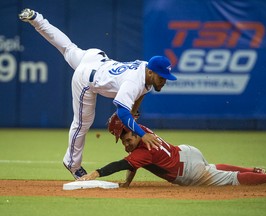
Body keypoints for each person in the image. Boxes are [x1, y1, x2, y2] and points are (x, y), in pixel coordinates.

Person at [18, 8, 177, 179]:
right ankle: (72, 163)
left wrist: (133, 111)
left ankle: (37, 19)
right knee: (82, 123)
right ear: (152, 72)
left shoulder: (147, 69)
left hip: (95, 58)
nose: (164, 81)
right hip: (87, 78)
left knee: (68, 47)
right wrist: (142, 133)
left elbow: (142, 92)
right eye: (162, 77)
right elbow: (122, 112)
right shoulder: (133, 82)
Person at [78, 113, 266, 187]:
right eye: (123, 141)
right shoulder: (143, 131)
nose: (126, 143)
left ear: (132, 132)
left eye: (127, 138)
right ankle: (253, 169)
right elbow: (133, 162)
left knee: (230, 179)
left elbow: (122, 163)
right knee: (213, 168)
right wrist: (128, 182)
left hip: (188, 172)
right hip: (187, 152)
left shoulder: (143, 150)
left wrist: (96, 173)